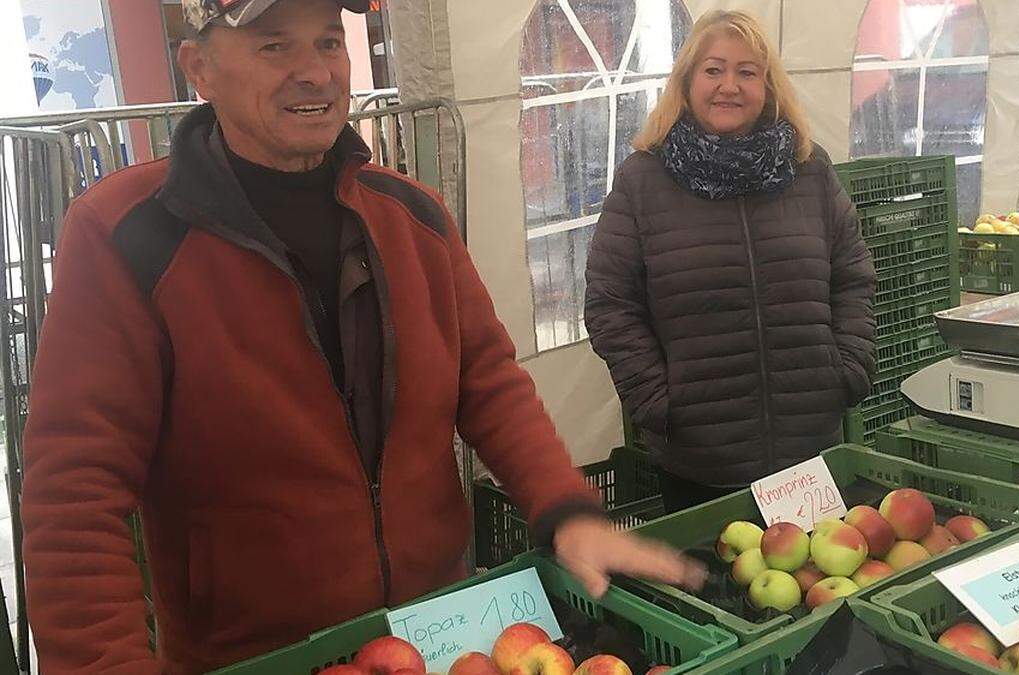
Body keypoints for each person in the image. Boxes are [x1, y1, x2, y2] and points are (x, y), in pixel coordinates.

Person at [19, 0, 702, 671]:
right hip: (255, 656)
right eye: (274, 45)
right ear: (199, 68)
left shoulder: (414, 218)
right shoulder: (125, 237)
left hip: (433, 640)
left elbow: (489, 382)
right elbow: (74, 492)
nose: (314, 72)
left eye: (327, 42)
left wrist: (566, 509)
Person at [585, 10, 877, 514]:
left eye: (747, 72)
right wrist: (659, 402)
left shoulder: (809, 169)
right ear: (687, 81)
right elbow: (610, 303)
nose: (729, 86)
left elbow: (852, 277)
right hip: (699, 460)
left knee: (817, 586)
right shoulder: (643, 180)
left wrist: (847, 369)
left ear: (768, 85)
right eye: (713, 70)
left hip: (809, 452)